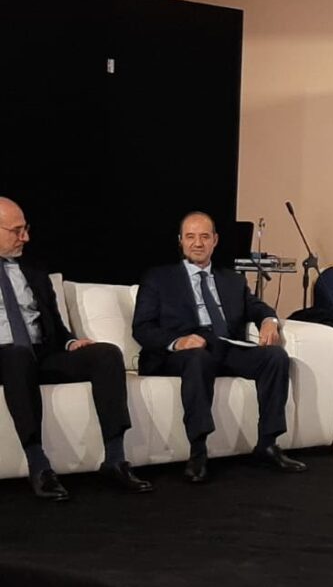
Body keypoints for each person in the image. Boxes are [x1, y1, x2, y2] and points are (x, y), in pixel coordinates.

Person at [132, 211, 306, 484]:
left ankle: (268, 443)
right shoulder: (159, 278)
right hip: (178, 353)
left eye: (204, 237)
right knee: (198, 358)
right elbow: (142, 327)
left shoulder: (232, 279)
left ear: (215, 240)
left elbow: (256, 307)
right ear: (180, 241)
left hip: (223, 346)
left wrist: (269, 321)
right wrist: (179, 342)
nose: (197, 243)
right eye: (190, 237)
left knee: (275, 356)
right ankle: (198, 451)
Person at [0, 197, 152, 501]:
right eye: (17, 231)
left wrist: (71, 341)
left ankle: (115, 458)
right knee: (16, 355)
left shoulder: (33, 270)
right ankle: (39, 465)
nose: (25, 237)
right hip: (6, 356)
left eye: (25, 229)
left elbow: (54, 323)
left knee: (107, 354)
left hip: (41, 353)